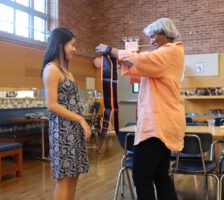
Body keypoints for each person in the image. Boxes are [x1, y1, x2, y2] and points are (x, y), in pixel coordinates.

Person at [96, 17, 185, 200]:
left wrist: (111, 50)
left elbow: (140, 60)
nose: (151, 40)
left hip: (157, 125)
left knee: (141, 176)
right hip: (160, 123)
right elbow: (137, 65)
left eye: (153, 36)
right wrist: (119, 59)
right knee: (160, 175)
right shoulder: (164, 57)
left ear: (165, 34)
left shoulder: (169, 52)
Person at [41, 27, 91, 200]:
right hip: (62, 132)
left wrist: (80, 122)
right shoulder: (51, 69)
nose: (75, 49)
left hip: (74, 130)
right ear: (61, 44)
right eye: (72, 45)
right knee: (64, 179)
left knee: (74, 175)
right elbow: (52, 105)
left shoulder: (66, 70)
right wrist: (80, 119)